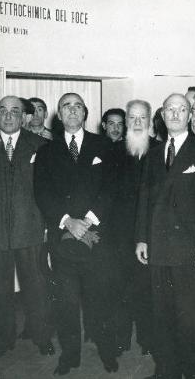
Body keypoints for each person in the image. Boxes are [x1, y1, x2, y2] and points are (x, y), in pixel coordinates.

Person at [34, 93, 120, 375]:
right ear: (58, 115)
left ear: (85, 113)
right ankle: (69, 356)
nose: (72, 111)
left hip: (97, 239)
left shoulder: (104, 145)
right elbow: (42, 193)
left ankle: (108, 352)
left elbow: (111, 188)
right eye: (66, 107)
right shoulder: (47, 150)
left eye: (78, 106)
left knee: (101, 300)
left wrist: (89, 220)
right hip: (63, 239)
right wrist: (67, 221)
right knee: (66, 304)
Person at [135, 93, 195, 379]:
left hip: (190, 251)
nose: (175, 114)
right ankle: (166, 372)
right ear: (162, 114)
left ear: (190, 115)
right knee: (163, 316)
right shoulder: (154, 153)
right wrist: (141, 238)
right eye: (170, 109)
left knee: (193, 320)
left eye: (181, 109)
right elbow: (144, 198)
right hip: (158, 249)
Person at [0, 96, 54, 357]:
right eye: (3, 111)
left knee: (37, 287)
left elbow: (50, 190)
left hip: (31, 228)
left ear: (24, 117)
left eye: (15, 112)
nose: (9, 116)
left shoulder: (42, 145)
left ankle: (42, 336)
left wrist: (48, 224)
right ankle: (4, 338)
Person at [107, 99, 159, 356]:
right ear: (126, 121)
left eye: (142, 118)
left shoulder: (161, 151)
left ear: (149, 121)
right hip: (118, 236)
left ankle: (149, 340)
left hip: (150, 236)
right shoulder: (113, 152)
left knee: (147, 291)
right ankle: (121, 339)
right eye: (132, 118)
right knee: (119, 289)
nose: (137, 123)